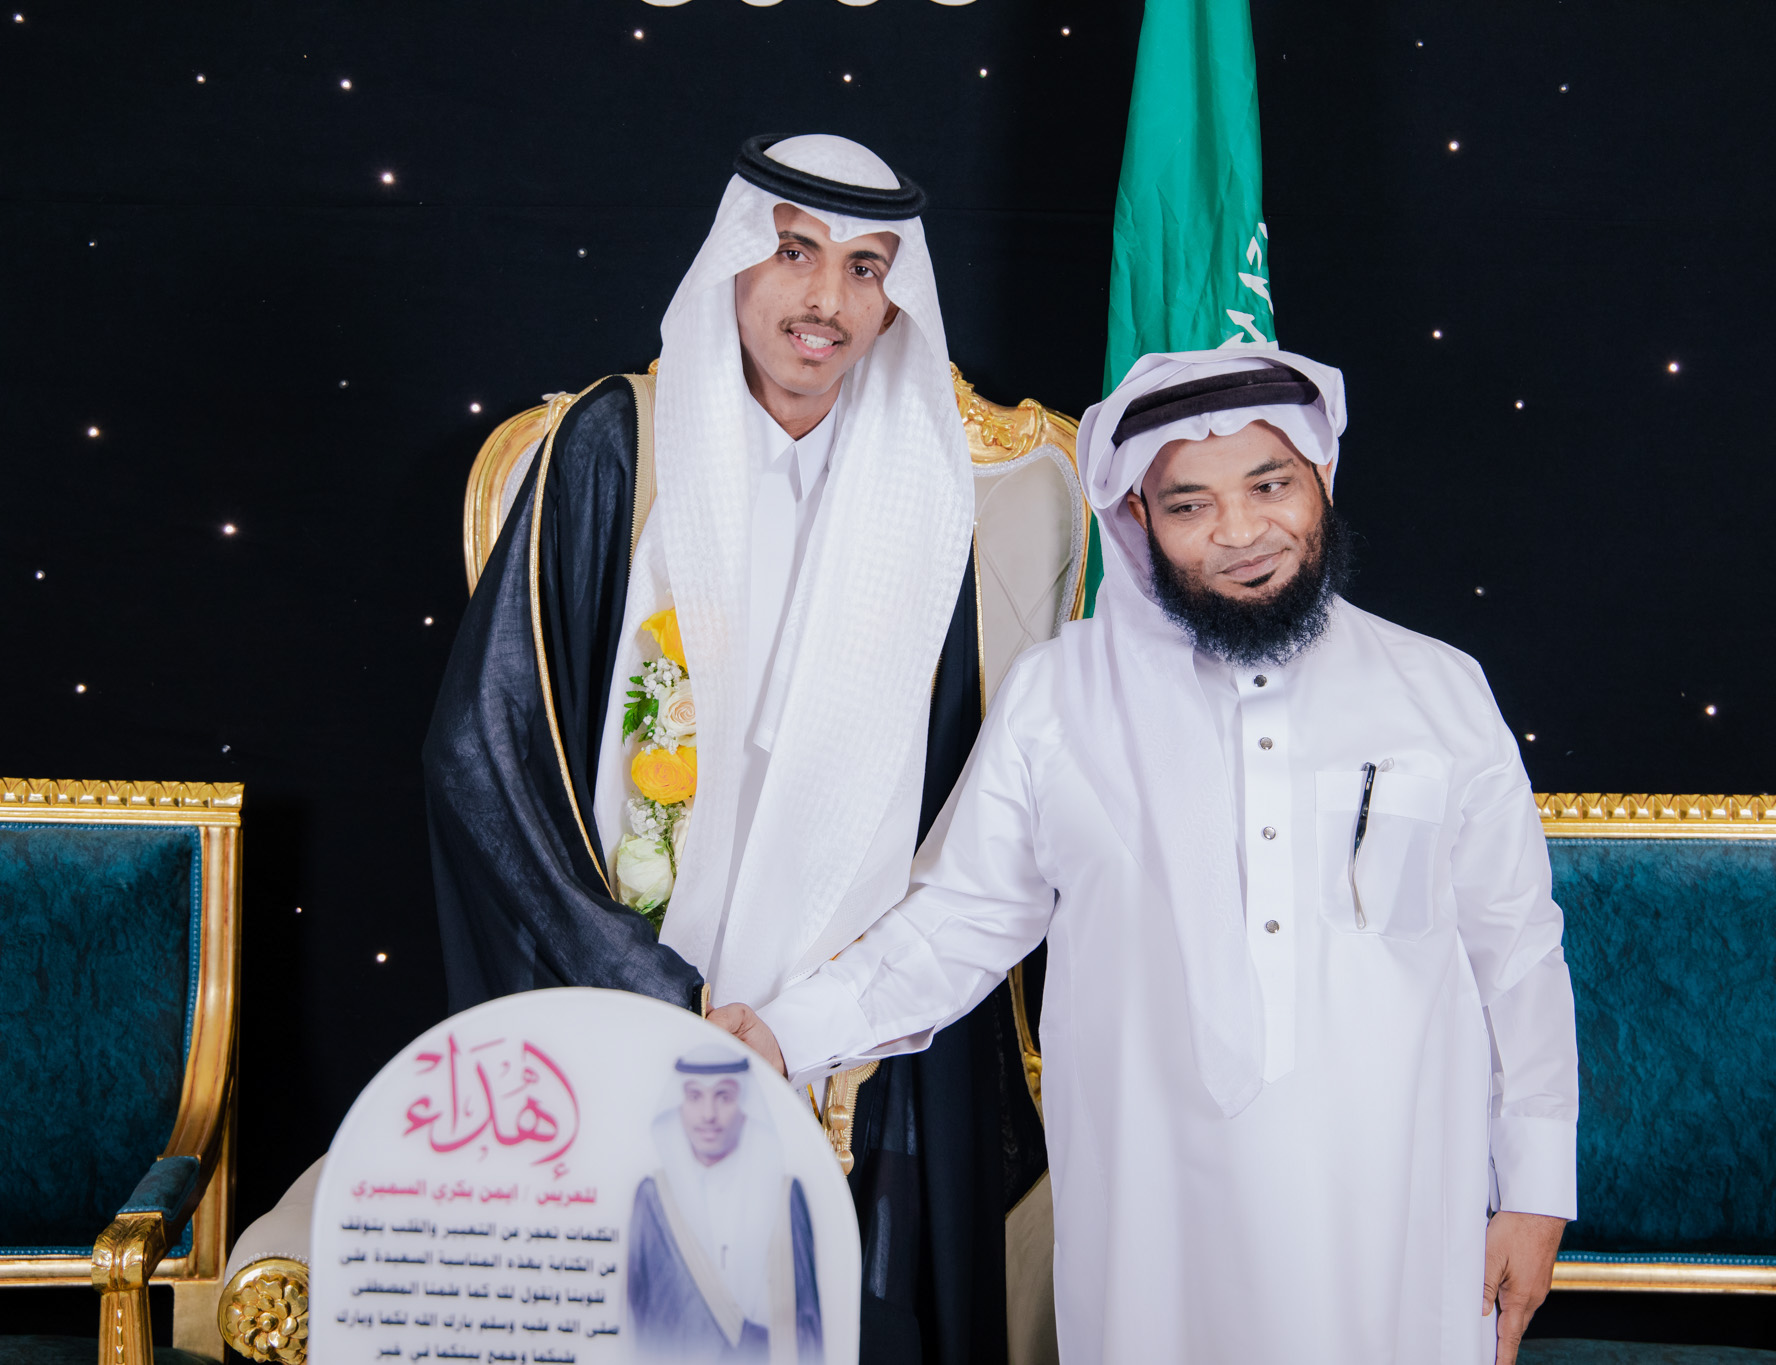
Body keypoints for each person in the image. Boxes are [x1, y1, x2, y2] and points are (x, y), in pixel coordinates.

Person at [712, 347, 1581, 1364]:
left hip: (1399, 1210)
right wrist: (785, 1032)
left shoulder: (1439, 689)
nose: (1240, 532)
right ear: (1136, 518)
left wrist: (1534, 1191)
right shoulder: (1060, 700)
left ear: (1321, 479)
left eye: (1269, 486)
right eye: (1189, 505)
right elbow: (957, 924)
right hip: (1157, 1222)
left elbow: (1515, 952)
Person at [422, 134, 1037, 1360]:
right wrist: (647, 987)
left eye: (864, 269)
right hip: (631, 977)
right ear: (732, 260)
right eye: (794, 253)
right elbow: (485, 750)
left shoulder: (924, 488)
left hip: (845, 1039)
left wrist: (812, 1018)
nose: (825, 301)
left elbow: (953, 790)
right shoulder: (621, 443)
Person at [630, 1048, 822, 1363]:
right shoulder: (653, 1197)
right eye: (694, 1096)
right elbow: (634, 1318)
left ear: (745, 1105)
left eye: (724, 1097)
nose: (708, 1114)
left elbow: (809, 1329)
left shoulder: (784, 1196)